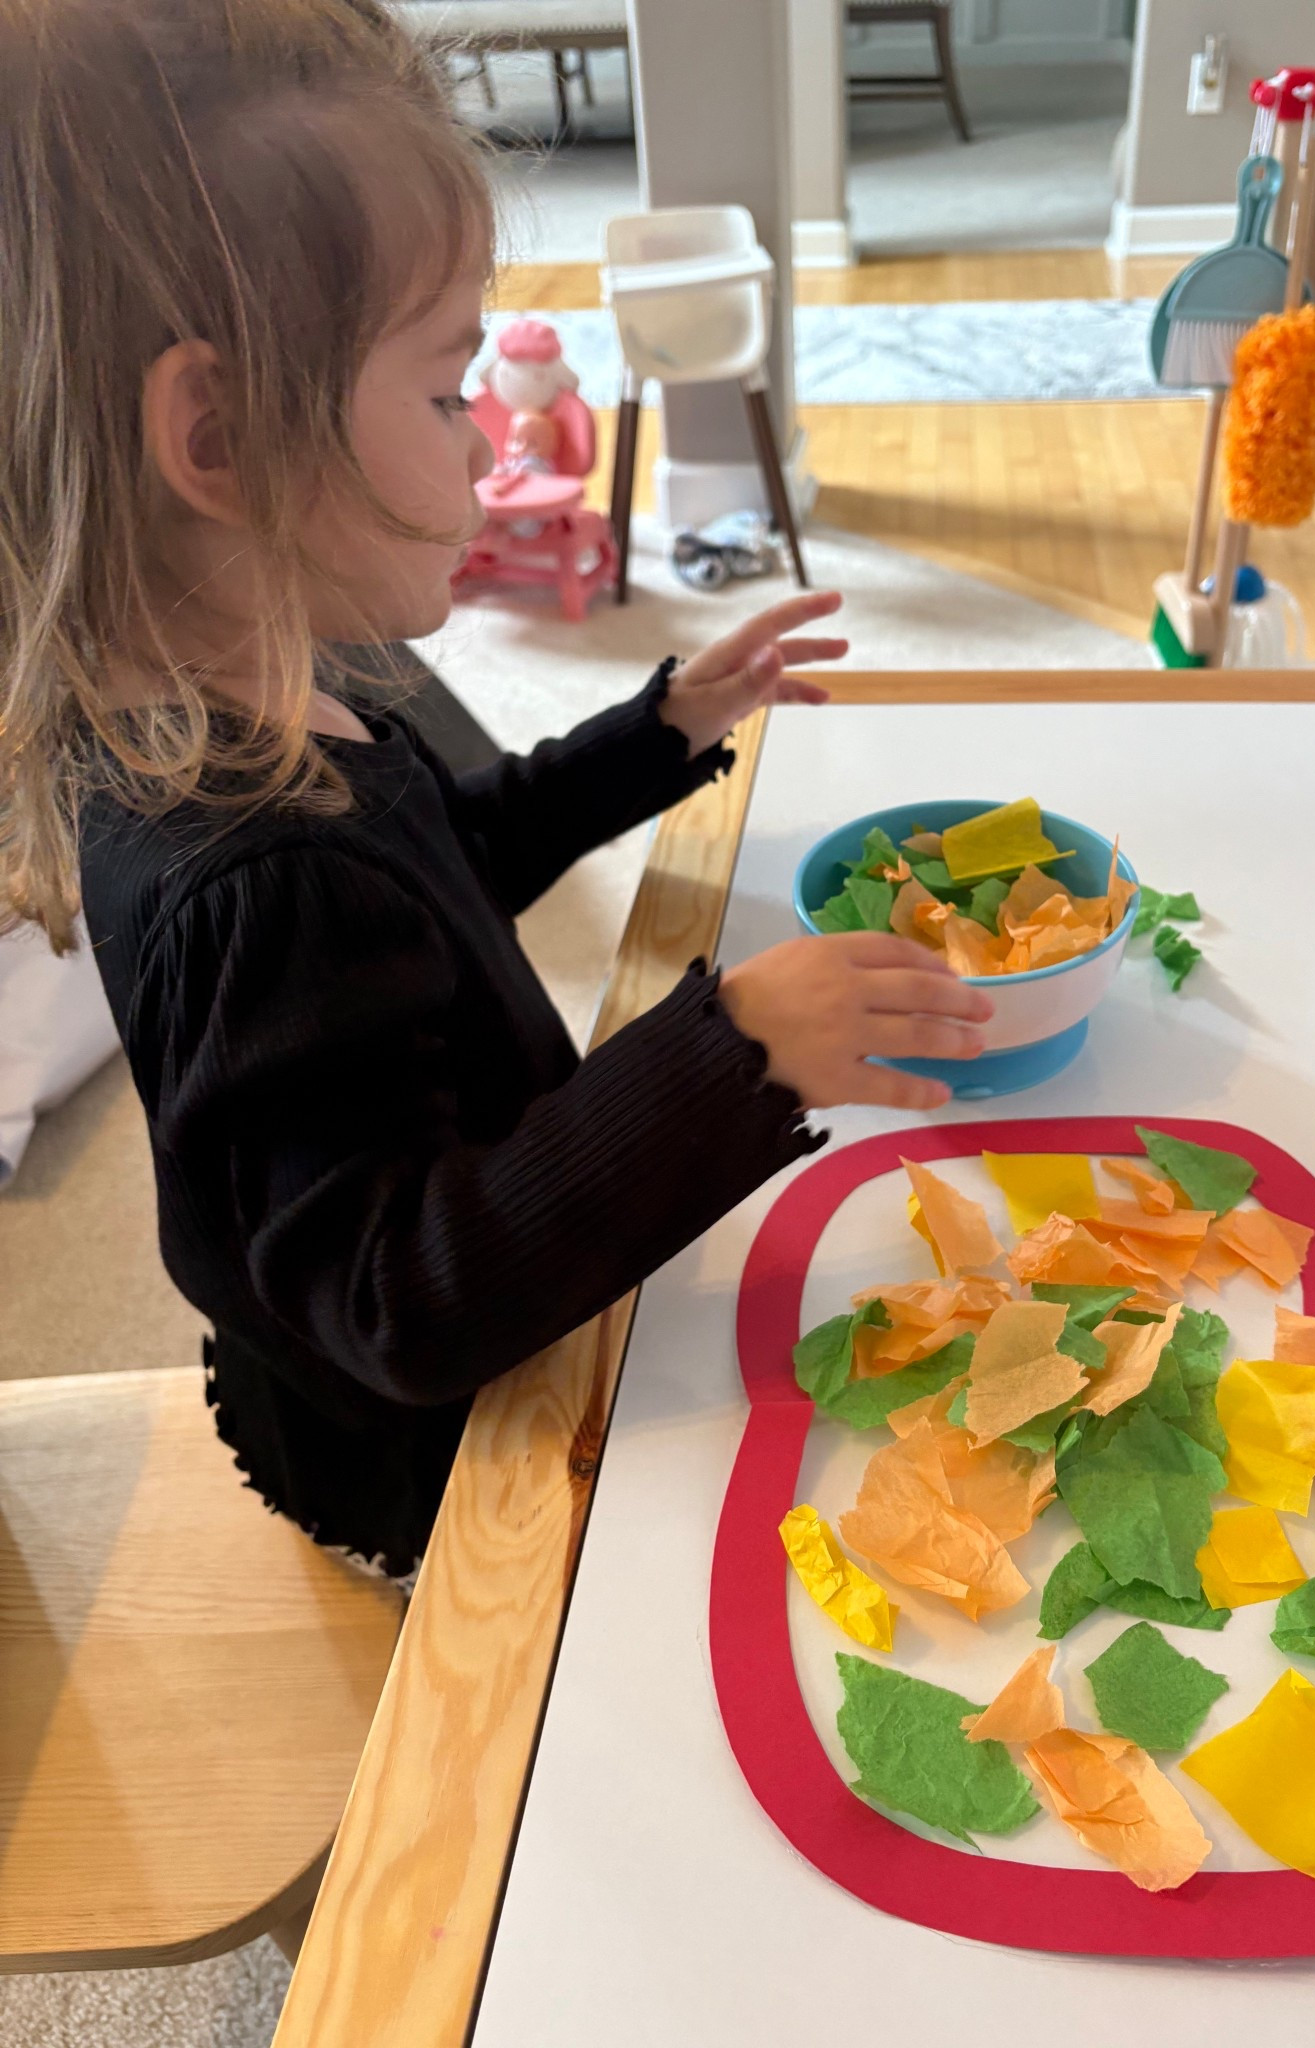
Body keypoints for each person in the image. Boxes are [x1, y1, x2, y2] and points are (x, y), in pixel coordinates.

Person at [0, 0, 992, 1583]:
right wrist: (726, 1056)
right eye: (447, 390)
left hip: (502, 1257)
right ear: (221, 437)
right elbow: (401, 1301)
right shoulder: (250, 879)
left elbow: (447, 860)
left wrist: (659, 729)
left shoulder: (280, 692)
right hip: (436, 1467)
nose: (482, 448)